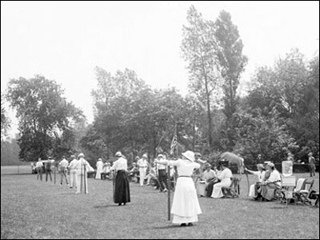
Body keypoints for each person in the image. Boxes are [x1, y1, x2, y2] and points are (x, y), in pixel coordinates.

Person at [154, 150, 203, 227]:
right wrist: (196, 160)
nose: (182, 156)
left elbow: (168, 162)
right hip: (189, 182)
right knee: (189, 200)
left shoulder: (180, 162)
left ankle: (183, 221)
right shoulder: (192, 164)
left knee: (181, 200)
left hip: (182, 182)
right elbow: (199, 165)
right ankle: (190, 220)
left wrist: (158, 161)